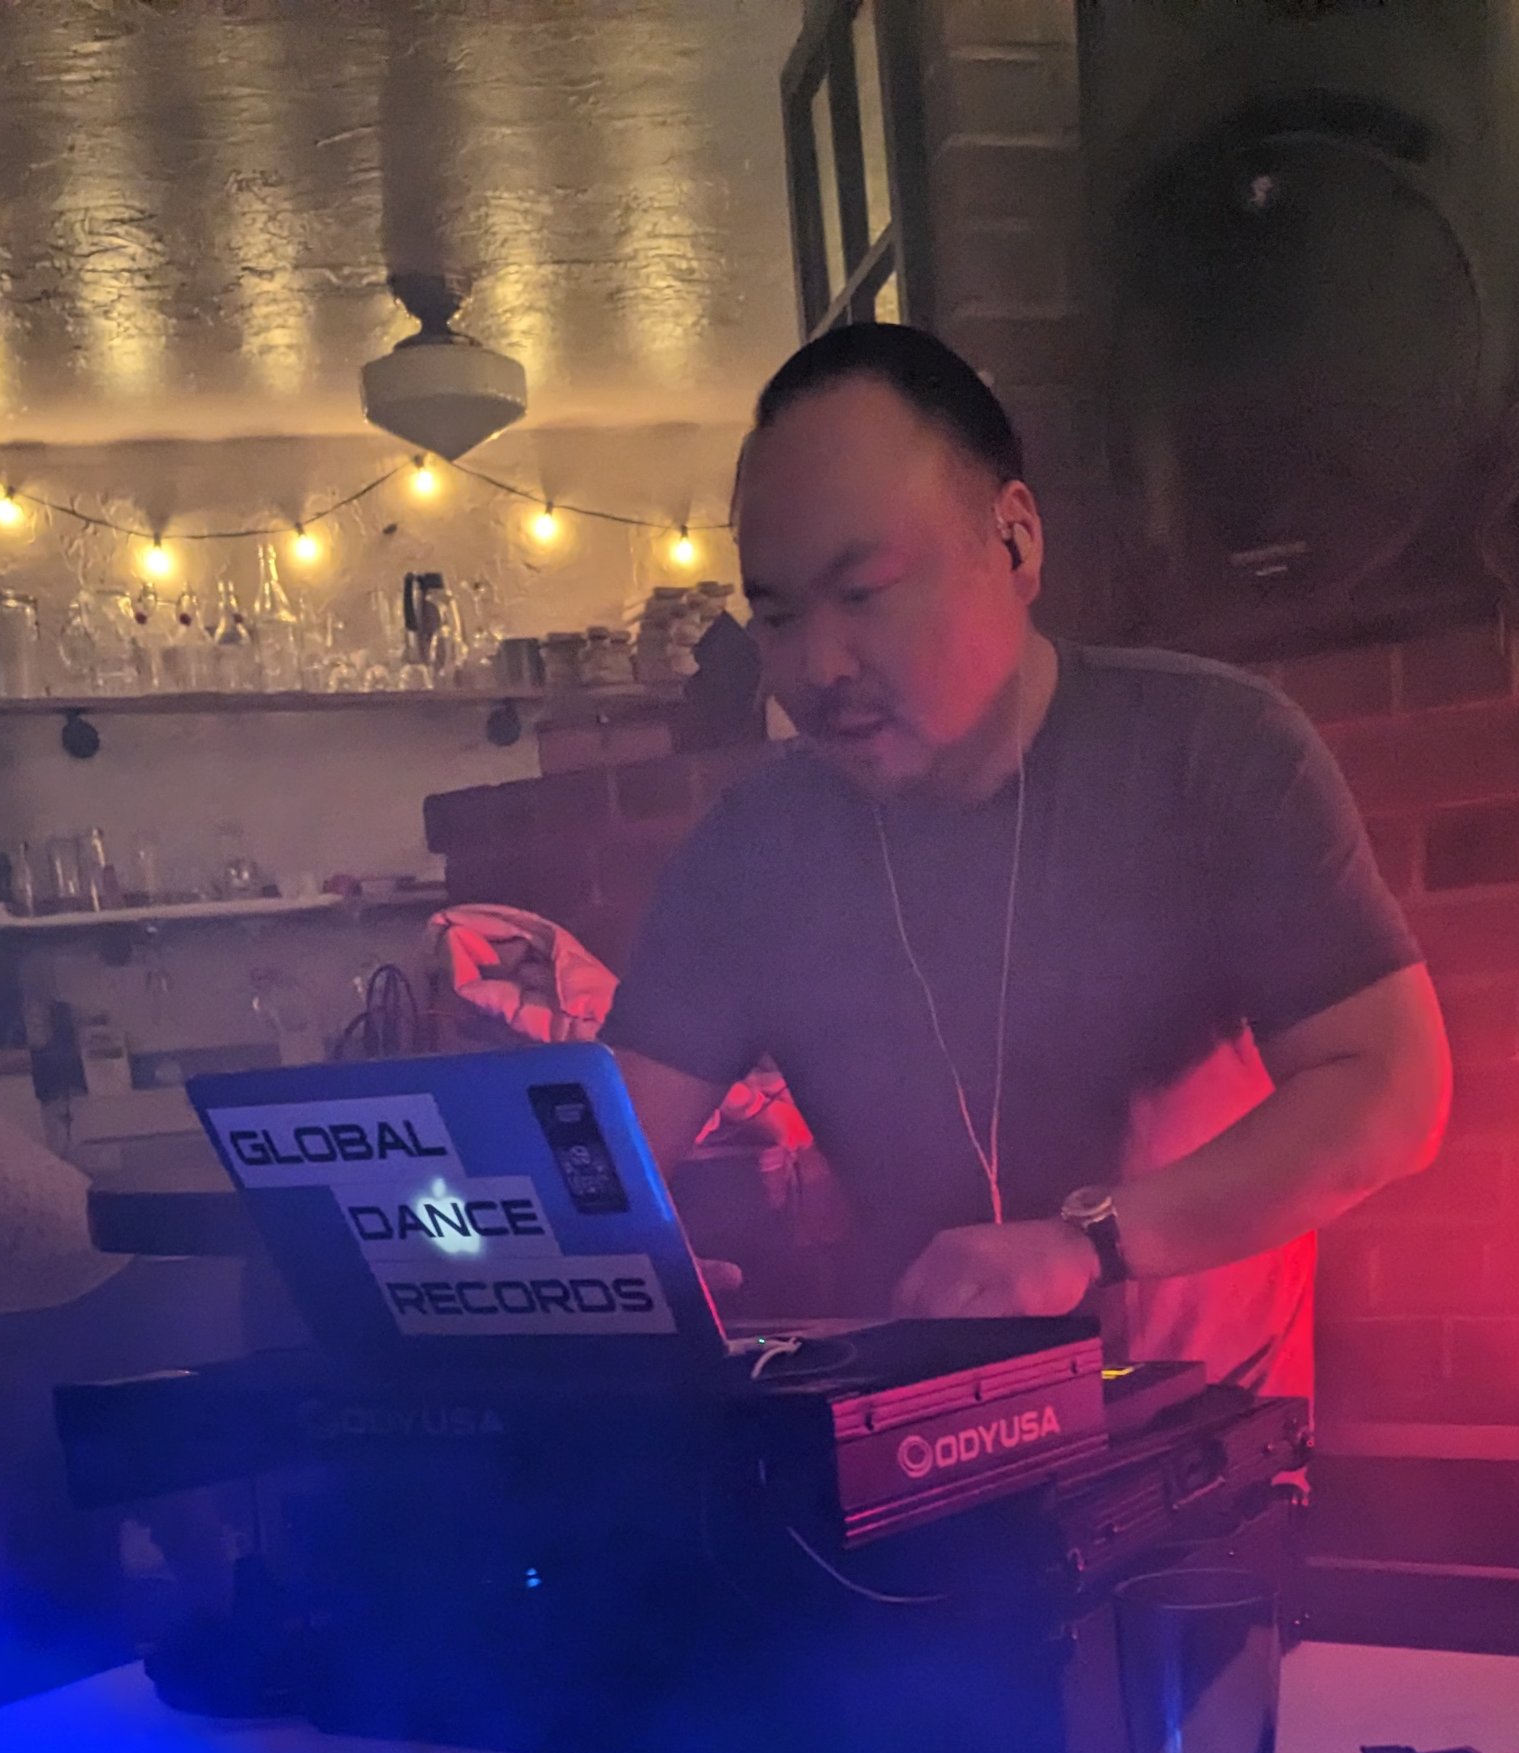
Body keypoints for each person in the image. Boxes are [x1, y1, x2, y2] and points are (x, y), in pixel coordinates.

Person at [609, 324, 1451, 1392]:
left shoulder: (1212, 748)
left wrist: (1084, 1243)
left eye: (862, 592)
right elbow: (606, 1157)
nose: (817, 666)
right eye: (776, 616)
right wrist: (615, 1275)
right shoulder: (748, 848)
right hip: (914, 1449)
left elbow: (1388, 1083)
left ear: (1013, 541)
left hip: (1195, 1448)